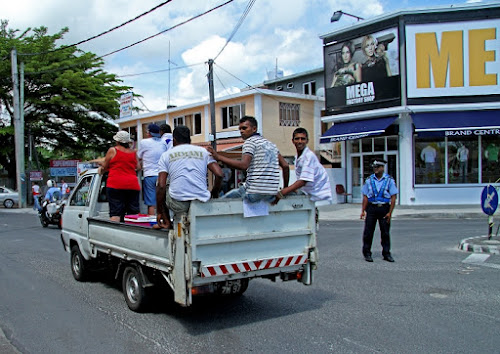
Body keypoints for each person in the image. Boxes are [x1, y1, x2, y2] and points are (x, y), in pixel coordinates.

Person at [207, 116, 290, 203]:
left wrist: (219, 157)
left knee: (221, 203)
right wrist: (285, 189)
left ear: (254, 129)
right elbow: (285, 166)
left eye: (244, 128)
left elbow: (244, 165)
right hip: (271, 194)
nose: (241, 131)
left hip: (253, 192)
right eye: (240, 129)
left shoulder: (250, 142)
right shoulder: (271, 145)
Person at [156, 125, 223, 229]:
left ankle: (167, 222)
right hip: (201, 201)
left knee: (163, 183)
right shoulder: (204, 152)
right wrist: (214, 192)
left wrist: (159, 211)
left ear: (174, 140)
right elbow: (219, 174)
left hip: (178, 204)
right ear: (189, 139)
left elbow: (161, 186)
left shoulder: (166, 155)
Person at [272, 127, 332, 205]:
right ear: (292, 141)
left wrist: (282, 192)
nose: (300, 141)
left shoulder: (308, 156)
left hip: (319, 196)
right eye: (297, 139)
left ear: (307, 141)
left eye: (302, 139)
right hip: (310, 194)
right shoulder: (298, 157)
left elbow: (303, 181)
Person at [360, 159, 398, 263]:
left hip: (384, 208)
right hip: (372, 208)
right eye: (374, 167)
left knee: (385, 232)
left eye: (378, 167)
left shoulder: (389, 180)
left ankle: (386, 253)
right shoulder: (369, 180)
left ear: (382, 168)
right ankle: (367, 253)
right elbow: (365, 197)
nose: (375, 169)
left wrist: (390, 212)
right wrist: (363, 210)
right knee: (368, 232)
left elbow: (393, 197)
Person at [99, 130, 141, 222]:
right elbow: (138, 167)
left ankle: (115, 235)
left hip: (115, 185)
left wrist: (101, 168)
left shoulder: (113, 150)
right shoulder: (134, 152)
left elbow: (105, 166)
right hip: (132, 185)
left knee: (115, 213)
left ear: (117, 141)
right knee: (133, 214)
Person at [137, 123, 167, 215]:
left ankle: (151, 222)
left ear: (149, 133)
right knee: (162, 202)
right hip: (162, 175)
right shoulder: (164, 142)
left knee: (151, 203)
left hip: (149, 174)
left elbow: (138, 156)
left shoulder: (144, 142)